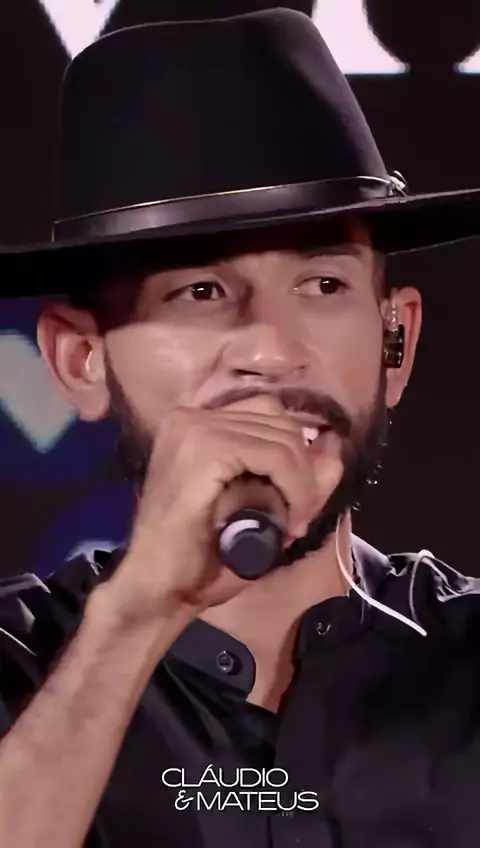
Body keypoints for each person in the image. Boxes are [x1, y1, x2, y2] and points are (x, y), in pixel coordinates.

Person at [1, 8, 480, 848]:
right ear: (81, 361)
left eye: (323, 285)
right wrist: (134, 620)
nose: (271, 348)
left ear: (396, 344)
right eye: (200, 291)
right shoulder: (17, 665)